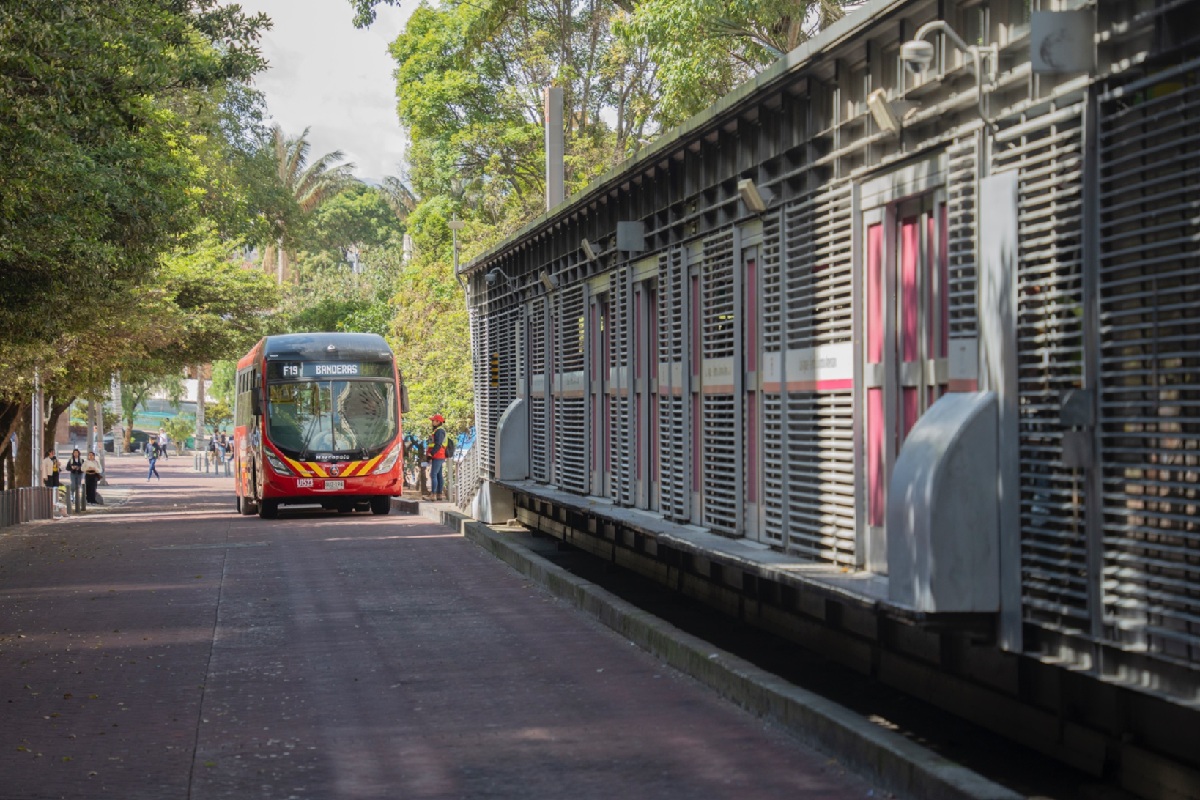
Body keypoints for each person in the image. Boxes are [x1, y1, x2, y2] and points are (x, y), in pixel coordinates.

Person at [425, 413, 448, 502]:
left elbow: (438, 444)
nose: (432, 422)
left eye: (433, 421)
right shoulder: (437, 430)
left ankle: (433, 494)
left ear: (438, 422)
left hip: (438, 455)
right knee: (438, 475)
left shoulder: (439, 431)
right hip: (438, 455)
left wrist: (431, 453)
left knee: (433, 474)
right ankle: (439, 495)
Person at [65, 448, 84, 512]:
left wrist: (79, 468)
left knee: (78, 485)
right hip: (73, 473)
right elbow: (67, 468)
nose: (76, 454)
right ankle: (72, 496)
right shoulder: (71, 460)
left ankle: (77, 497)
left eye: (77, 453)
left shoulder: (81, 460)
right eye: (74, 453)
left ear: (78, 453)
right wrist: (72, 468)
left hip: (79, 474)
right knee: (73, 484)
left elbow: (84, 467)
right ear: (73, 454)